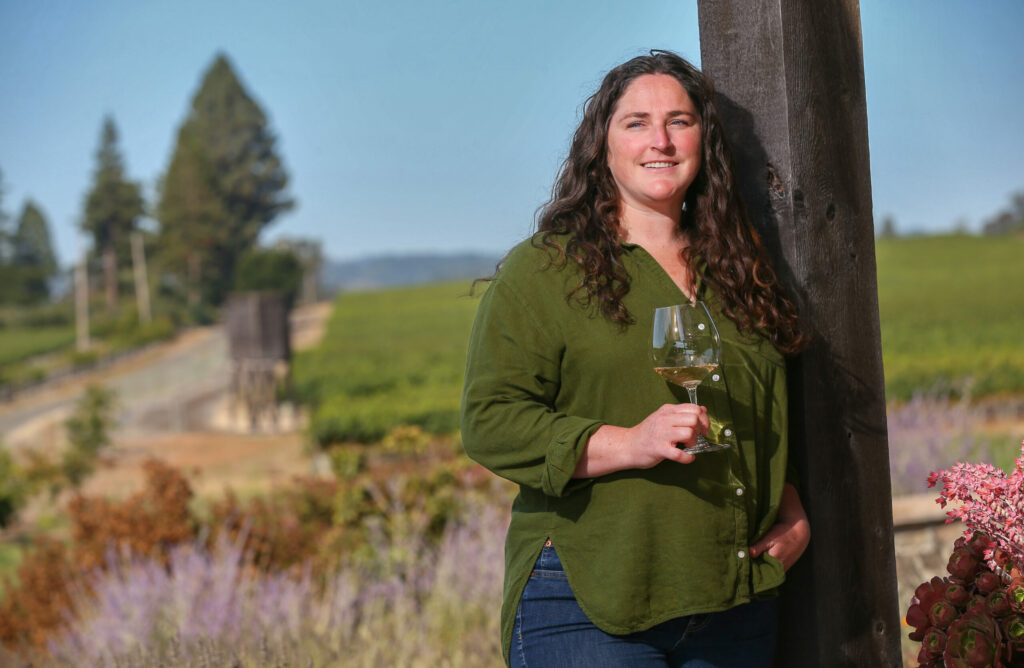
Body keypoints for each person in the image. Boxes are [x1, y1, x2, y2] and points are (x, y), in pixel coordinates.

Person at [460, 50, 811, 668]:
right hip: (590, 601)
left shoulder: (741, 271)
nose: (661, 140)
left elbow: (768, 411)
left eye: (679, 121)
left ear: (705, 141)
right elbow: (490, 422)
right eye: (636, 123)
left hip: (733, 602)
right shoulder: (546, 270)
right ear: (604, 147)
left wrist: (790, 509)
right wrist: (628, 442)